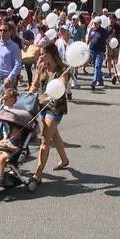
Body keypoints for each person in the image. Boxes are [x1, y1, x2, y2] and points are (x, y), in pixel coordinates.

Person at [29, 44, 70, 184]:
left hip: (56, 107)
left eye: (43, 54)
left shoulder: (63, 69)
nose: (40, 56)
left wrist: (47, 97)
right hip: (41, 105)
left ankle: (38, 174)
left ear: (51, 54)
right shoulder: (41, 67)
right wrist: (29, 94)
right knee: (53, 134)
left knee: (45, 140)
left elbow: (62, 86)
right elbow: (34, 84)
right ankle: (64, 160)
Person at [86, 18, 108, 90]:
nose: (94, 24)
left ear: (100, 23)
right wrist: (86, 47)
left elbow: (107, 41)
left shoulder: (103, 31)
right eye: (94, 23)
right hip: (92, 50)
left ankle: (94, 82)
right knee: (95, 66)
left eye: (96, 23)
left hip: (100, 51)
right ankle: (100, 80)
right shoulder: (92, 30)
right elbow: (89, 39)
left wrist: (108, 50)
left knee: (97, 66)